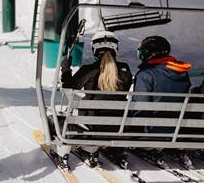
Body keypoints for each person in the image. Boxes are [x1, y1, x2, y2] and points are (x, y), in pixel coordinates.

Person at [54, 30, 132, 170]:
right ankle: (109, 150)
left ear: (95, 49)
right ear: (115, 48)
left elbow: (68, 88)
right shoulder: (125, 69)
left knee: (57, 116)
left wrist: (66, 69)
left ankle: (74, 150)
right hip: (116, 127)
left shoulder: (89, 70)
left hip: (91, 127)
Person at [133, 35, 192, 168]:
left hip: (152, 131)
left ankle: (148, 148)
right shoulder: (182, 72)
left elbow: (140, 105)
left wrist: (133, 126)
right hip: (178, 130)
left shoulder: (146, 74)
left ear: (149, 53)